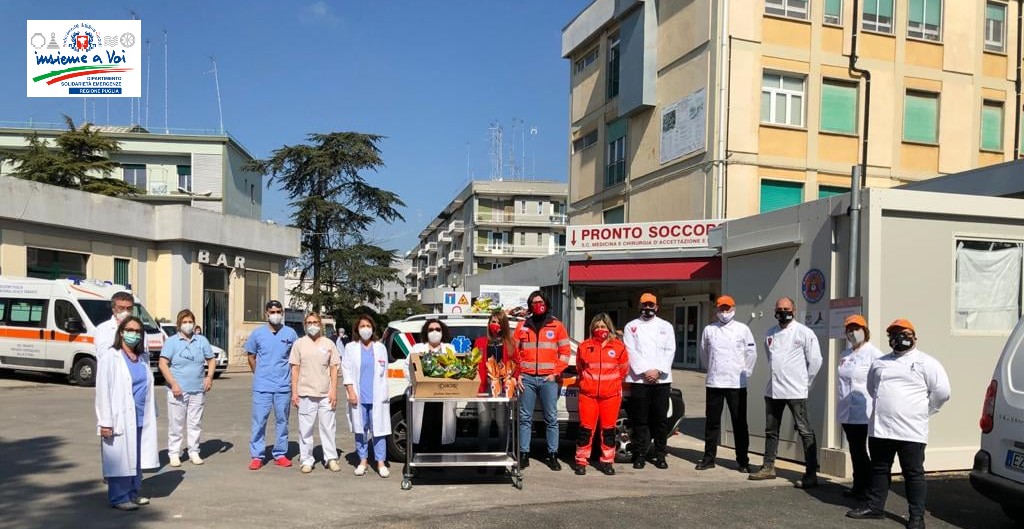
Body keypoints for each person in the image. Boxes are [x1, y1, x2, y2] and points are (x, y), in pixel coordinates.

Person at [846, 319, 951, 529]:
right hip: (881, 428)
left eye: (904, 333)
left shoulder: (927, 363)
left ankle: (917, 517)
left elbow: (942, 393)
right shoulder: (880, 362)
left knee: (913, 473)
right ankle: (875, 507)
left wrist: (925, 411)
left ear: (914, 337)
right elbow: (872, 388)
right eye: (894, 334)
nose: (899, 337)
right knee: (879, 469)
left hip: (911, 430)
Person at [749, 297, 823, 488]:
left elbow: (815, 361)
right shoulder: (770, 333)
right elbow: (771, 359)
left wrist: (806, 383)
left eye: (786, 308)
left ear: (794, 310)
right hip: (773, 390)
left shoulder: (804, 332)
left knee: (805, 432)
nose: (783, 312)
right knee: (771, 431)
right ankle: (768, 467)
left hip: (796, 391)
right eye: (779, 309)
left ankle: (811, 473)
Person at [95, 316, 158, 511]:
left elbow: (147, 387)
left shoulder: (142, 358)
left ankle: (133, 493)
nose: (134, 334)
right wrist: (105, 421)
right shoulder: (111, 357)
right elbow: (102, 390)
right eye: (130, 330)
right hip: (119, 417)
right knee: (120, 458)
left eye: (138, 331)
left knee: (136, 457)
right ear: (121, 332)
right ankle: (119, 497)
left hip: (141, 416)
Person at [697, 295, 756, 472]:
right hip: (715, 382)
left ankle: (743, 461)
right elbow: (704, 353)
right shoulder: (709, 329)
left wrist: (745, 373)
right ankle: (708, 459)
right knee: (712, 423)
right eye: (721, 308)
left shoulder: (743, 329)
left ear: (733, 309)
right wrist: (712, 368)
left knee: (739, 423)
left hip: (736, 384)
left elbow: (751, 354)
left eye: (727, 308)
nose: (724, 312)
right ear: (716, 310)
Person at [514, 290, 571, 471]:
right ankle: (524, 454)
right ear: (530, 306)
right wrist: (517, 373)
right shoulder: (522, 326)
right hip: (527, 378)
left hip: (548, 379)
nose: (537, 305)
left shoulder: (557, 326)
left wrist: (555, 372)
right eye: (534, 302)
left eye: (540, 302)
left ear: (546, 303)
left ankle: (552, 455)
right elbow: (514, 353)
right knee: (525, 418)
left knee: (551, 418)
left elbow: (565, 352)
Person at [622, 292, 676, 470]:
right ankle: (639, 455)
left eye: (651, 305)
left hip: (661, 381)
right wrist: (645, 371)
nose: (647, 308)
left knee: (660, 420)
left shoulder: (666, 326)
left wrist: (658, 371)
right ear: (639, 306)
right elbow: (630, 351)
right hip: (639, 380)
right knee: (640, 421)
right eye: (644, 305)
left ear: (656, 307)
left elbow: (670, 350)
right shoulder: (631, 326)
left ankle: (660, 455)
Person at [245, 300, 298, 470]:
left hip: (283, 386)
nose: (276, 315)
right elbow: (251, 356)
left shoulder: (290, 334)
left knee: (282, 421)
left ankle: (280, 453)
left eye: (278, 311)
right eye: (272, 312)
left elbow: (295, 358)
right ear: (266, 314)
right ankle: (257, 455)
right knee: (259, 421)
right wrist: (259, 373)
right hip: (262, 386)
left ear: (282, 313)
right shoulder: (257, 334)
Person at [836, 314, 884, 500]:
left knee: (864, 451)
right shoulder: (845, 355)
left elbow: (880, 382)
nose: (852, 333)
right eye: (849, 330)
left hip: (864, 410)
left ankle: (870, 488)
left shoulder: (874, 354)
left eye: (856, 329)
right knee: (855, 450)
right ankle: (858, 485)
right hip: (846, 410)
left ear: (865, 331)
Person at [573, 313, 629, 476]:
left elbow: (623, 370)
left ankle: (607, 462)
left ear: (609, 328)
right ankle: (581, 461)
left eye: (603, 326)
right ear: (592, 329)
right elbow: (580, 368)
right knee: (586, 430)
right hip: (588, 395)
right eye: (596, 326)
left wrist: (610, 384)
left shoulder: (618, 347)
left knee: (608, 431)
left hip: (610, 396)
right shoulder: (584, 346)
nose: (600, 329)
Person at [158, 309, 215, 468]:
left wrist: (209, 377)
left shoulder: (201, 341)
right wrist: (173, 383)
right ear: (179, 324)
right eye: (184, 322)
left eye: (190, 322)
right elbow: (163, 364)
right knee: (176, 424)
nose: (188, 325)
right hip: (178, 391)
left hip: (197, 389)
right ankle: (174, 453)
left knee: (195, 423)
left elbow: (211, 360)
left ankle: (194, 451)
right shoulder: (172, 342)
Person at [290, 313, 342, 474]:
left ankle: (331, 458)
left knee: (328, 428)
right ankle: (306, 459)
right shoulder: (299, 344)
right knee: (305, 429)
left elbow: (334, 369)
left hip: (325, 393)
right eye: (309, 322)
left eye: (315, 322)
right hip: (305, 392)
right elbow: (295, 369)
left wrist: (334, 391)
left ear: (320, 324)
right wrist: (294, 392)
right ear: (305, 325)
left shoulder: (329, 344)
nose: (312, 325)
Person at [342, 315, 392, 477]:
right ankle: (363, 461)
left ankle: (380, 462)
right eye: (362, 326)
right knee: (360, 430)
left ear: (373, 328)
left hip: (377, 396)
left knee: (379, 430)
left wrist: (385, 393)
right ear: (357, 329)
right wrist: (350, 391)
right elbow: (346, 370)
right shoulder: (351, 347)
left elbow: (384, 372)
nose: (365, 329)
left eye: (368, 326)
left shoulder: (380, 347)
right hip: (359, 397)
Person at [410, 319, 458, 448]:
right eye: (431, 330)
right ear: (426, 332)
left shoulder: (450, 348)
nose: (434, 332)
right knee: (423, 428)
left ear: (443, 332)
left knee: (441, 428)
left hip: (443, 394)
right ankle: (421, 455)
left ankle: (440, 456)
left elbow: (455, 368)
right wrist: (416, 382)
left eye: (437, 329)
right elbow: (408, 368)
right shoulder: (417, 348)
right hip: (424, 394)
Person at [473, 310, 515, 454]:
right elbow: (474, 362)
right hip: (484, 387)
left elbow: (516, 363)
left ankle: (503, 455)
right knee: (484, 422)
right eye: (493, 321)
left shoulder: (510, 343)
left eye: (499, 322)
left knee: (502, 422)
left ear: (504, 325)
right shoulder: (480, 342)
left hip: (503, 388)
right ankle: (483, 455)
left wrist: (513, 378)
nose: (495, 325)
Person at [95, 291, 147, 361]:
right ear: (113, 309)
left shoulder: (139, 330)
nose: (126, 312)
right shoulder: (103, 329)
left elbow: (144, 356)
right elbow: (102, 354)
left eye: (129, 308)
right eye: (121, 308)